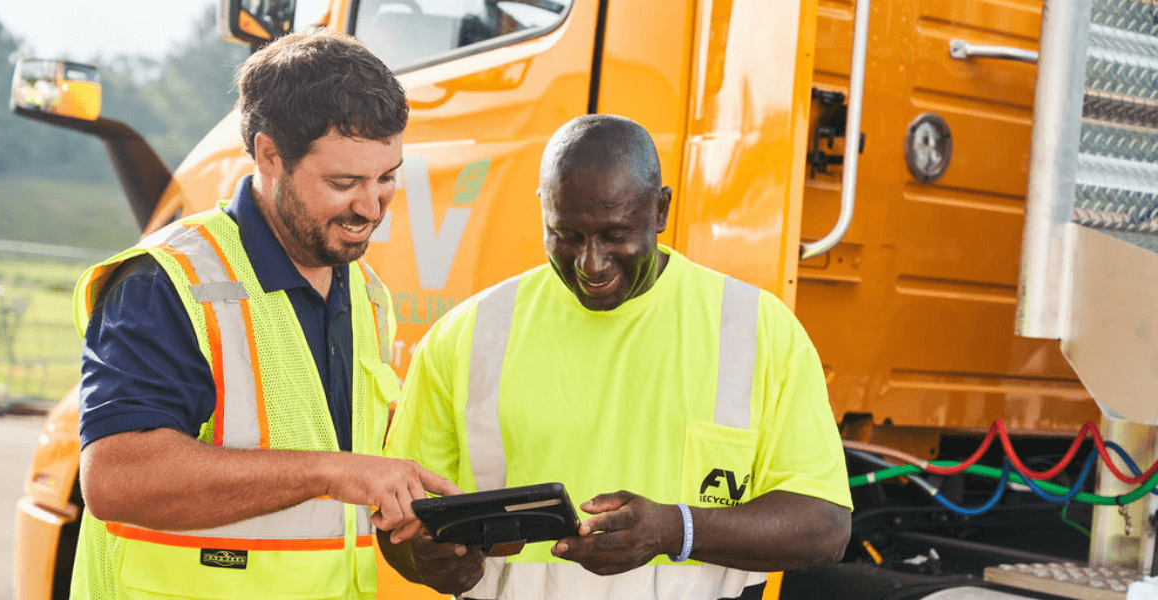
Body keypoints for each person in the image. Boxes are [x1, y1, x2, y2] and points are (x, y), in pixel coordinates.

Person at [379, 114, 853, 600]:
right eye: (567, 235)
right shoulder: (466, 334)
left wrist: (677, 529)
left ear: (661, 209)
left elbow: (826, 526)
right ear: (544, 210)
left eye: (613, 235)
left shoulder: (758, 330)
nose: (590, 263)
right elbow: (397, 520)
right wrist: (425, 561)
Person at [68, 30, 459, 600]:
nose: (371, 207)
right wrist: (331, 472)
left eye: (387, 178)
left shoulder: (368, 298)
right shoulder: (168, 283)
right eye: (343, 182)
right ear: (269, 154)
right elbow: (115, 478)